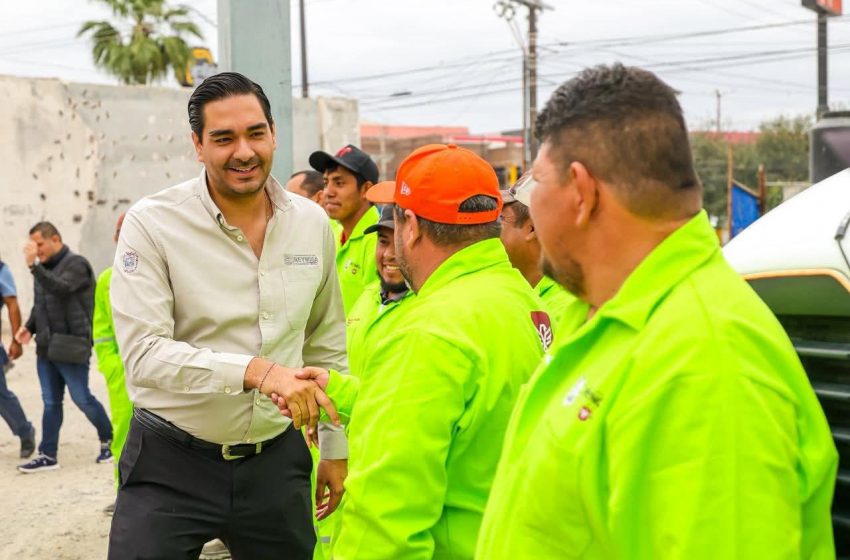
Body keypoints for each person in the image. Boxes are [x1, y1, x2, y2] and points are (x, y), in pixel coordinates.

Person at [476, 64, 839, 559]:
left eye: (535, 184)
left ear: (582, 193)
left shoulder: (706, 363)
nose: (527, 210)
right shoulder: (603, 318)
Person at [108, 72, 346, 560]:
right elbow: (145, 355)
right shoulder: (152, 224)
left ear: (273, 133)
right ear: (197, 145)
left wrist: (335, 446)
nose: (244, 151)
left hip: (276, 462)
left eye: (256, 133)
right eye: (223, 138)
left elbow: (326, 340)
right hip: (170, 464)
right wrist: (258, 373)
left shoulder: (312, 223)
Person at [282, 144, 551, 559]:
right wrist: (344, 391)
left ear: (410, 226)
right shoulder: (521, 300)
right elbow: (470, 412)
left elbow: (387, 527)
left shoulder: (427, 333)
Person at [16, 222, 113, 473]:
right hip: (46, 347)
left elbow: (61, 289)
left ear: (55, 239)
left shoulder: (76, 265)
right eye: (34, 245)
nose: (36, 251)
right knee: (50, 402)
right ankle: (48, 454)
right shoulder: (42, 269)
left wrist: (34, 267)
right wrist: (29, 327)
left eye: (40, 244)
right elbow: (42, 305)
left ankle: (109, 440)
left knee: (82, 398)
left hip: (71, 345)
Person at [499, 172, 582, 335]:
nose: (494, 232)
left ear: (532, 229)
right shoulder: (541, 291)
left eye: (502, 219)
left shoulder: (562, 310)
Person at [92, 213, 133, 514]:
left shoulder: (162, 270)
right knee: (123, 435)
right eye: (120, 230)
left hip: (160, 373)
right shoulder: (106, 279)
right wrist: (112, 367)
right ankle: (126, 494)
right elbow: (102, 332)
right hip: (122, 375)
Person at [309, 144, 379, 314]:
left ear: (366, 190)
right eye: (326, 183)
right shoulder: (331, 231)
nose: (328, 192)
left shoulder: (379, 242)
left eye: (339, 183)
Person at [0, 253, 36, 459]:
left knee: (1, 395)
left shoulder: (1, 270)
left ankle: (25, 431)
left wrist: (15, 340)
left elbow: (12, 304)